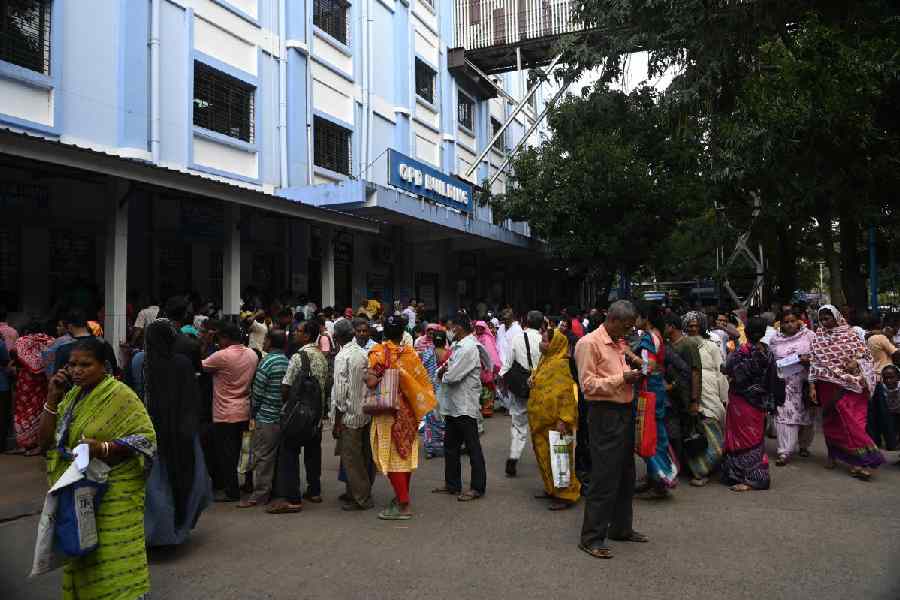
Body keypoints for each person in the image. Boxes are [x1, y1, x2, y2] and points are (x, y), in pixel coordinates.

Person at [39, 337, 156, 599]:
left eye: (85, 364)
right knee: (82, 552)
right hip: (79, 490)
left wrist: (102, 448)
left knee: (114, 555)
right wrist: (52, 397)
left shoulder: (121, 396)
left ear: (104, 366)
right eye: (72, 365)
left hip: (115, 491)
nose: (77, 370)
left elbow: (146, 439)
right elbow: (44, 442)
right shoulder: (70, 397)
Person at [575, 300, 646, 560]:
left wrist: (634, 366)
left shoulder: (619, 343)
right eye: (626, 327)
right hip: (604, 414)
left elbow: (624, 367)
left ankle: (621, 528)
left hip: (624, 411)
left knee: (626, 474)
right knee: (604, 476)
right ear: (612, 320)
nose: (628, 332)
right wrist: (622, 379)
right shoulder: (589, 343)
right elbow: (588, 385)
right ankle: (591, 537)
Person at [141, 319, 212, 546]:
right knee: (187, 479)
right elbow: (192, 398)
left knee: (156, 486)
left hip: (150, 433)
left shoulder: (141, 362)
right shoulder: (181, 363)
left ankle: (156, 532)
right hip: (182, 433)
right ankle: (179, 525)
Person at [365, 315, 436, 520]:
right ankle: (400, 497)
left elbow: (371, 382)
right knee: (404, 452)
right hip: (409, 409)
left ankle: (404, 504)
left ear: (385, 332)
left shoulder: (379, 353)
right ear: (403, 332)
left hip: (388, 410)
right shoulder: (410, 353)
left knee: (391, 456)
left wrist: (368, 375)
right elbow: (422, 380)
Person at [809, 305, 885, 480]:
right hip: (827, 384)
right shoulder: (818, 337)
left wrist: (856, 363)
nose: (825, 322)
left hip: (851, 385)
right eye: (822, 319)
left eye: (828, 318)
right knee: (831, 422)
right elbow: (814, 363)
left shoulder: (850, 334)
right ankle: (833, 455)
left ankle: (860, 461)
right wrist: (812, 387)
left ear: (836, 317)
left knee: (854, 423)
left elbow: (866, 356)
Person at [269, 320, 329, 513]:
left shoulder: (298, 357)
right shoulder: (321, 356)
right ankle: (314, 490)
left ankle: (292, 498)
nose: (295, 333)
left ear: (307, 336)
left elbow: (286, 386)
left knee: (289, 452)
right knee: (313, 451)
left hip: (298, 414)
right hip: (316, 412)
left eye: (299, 331)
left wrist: (285, 405)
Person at [432, 313, 487, 502]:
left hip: (465, 405)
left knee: (472, 447)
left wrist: (443, 374)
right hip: (453, 404)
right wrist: (443, 373)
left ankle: (477, 487)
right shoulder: (457, 346)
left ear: (458, 328)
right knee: (451, 446)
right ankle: (452, 484)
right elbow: (442, 369)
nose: (448, 331)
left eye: (450, 327)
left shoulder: (468, 348)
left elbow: (451, 376)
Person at [201, 323, 259, 502]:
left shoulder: (221, 356)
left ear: (225, 338)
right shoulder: (251, 354)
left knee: (227, 454)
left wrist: (205, 343)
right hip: (244, 408)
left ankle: (232, 491)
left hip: (225, 412)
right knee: (245, 449)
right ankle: (248, 483)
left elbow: (200, 366)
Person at [528, 326, 581, 510]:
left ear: (555, 344)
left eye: (545, 341)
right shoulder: (546, 360)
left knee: (560, 458)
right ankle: (552, 488)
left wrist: (563, 420)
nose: (542, 344)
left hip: (554, 422)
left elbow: (567, 395)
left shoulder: (560, 364)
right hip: (540, 421)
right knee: (544, 456)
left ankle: (566, 495)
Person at [721, 318, 776, 491]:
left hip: (741, 400)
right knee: (754, 437)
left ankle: (750, 477)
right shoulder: (768, 351)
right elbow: (773, 377)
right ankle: (750, 474)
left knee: (740, 437)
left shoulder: (741, 351)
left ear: (746, 331)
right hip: (759, 402)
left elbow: (726, 368)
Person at [240, 329, 290, 508]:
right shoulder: (287, 361)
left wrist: (253, 413)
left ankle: (259, 495)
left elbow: (258, 392)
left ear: (269, 341)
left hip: (266, 417)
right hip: (281, 417)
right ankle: (272, 491)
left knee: (263, 457)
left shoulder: (266, 362)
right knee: (274, 457)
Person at [633, 304, 678, 498]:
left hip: (648, 391)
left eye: (636, 317)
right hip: (657, 390)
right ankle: (655, 478)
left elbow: (647, 367)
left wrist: (628, 354)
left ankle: (660, 480)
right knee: (657, 435)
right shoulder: (659, 335)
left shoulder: (648, 337)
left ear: (645, 318)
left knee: (648, 435)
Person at [331, 319, 375, 511]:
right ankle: (356, 492)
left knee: (351, 459)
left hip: (349, 415)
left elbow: (340, 393)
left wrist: (337, 422)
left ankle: (361, 498)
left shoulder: (342, 357)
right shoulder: (362, 353)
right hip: (364, 413)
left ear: (337, 337)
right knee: (362, 457)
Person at [682, 310, 727, 487]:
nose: (693, 329)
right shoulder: (682, 345)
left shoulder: (711, 346)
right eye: (690, 326)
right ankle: (698, 471)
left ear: (702, 326)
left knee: (712, 429)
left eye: (696, 325)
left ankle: (709, 467)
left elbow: (720, 372)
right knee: (692, 431)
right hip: (690, 393)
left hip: (711, 393)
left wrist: (723, 397)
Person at [768, 309, 817, 465]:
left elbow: (818, 356)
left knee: (806, 417)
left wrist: (807, 360)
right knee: (784, 417)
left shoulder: (809, 336)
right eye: (785, 322)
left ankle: (803, 445)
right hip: (783, 384)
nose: (789, 325)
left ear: (799, 321)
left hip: (805, 383)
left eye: (792, 321)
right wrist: (794, 359)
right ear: (780, 324)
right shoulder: (775, 339)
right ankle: (784, 451)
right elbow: (771, 361)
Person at [499, 310, 543, 477]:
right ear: (541, 324)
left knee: (518, 424)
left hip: (520, 387)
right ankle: (543, 458)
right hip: (540, 387)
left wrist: (502, 379)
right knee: (540, 425)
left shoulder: (517, 338)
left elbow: (508, 363)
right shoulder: (544, 340)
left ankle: (514, 456)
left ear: (525, 322)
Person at [12, 323, 54, 455]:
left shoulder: (23, 342)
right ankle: (38, 443)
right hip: (42, 381)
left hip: (26, 381)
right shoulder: (50, 341)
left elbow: (16, 356)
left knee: (23, 411)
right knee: (39, 409)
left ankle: (25, 444)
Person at [53, 309, 120, 377]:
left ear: (70, 326)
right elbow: (114, 371)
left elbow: (58, 378)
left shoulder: (64, 349)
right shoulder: (104, 344)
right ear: (86, 324)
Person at [420, 328, 450, 459]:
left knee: (430, 421)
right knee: (445, 420)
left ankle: (431, 449)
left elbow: (421, 370)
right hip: (446, 392)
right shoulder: (450, 354)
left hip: (430, 392)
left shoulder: (427, 354)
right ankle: (445, 446)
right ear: (445, 341)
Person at [867, 364, 900, 452]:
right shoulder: (880, 388)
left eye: (892, 377)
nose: (888, 381)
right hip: (890, 413)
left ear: (898, 377)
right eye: (885, 378)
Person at [495, 308, 522, 411]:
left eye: (507, 319)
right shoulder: (501, 328)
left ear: (512, 318)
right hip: (500, 360)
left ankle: (510, 407)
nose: (505, 321)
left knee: (510, 384)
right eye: (503, 319)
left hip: (511, 360)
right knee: (500, 384)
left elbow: (518, 346)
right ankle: (503, 404)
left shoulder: (517, 329)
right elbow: (498, 342)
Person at [475, 320, 501, 417]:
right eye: (476, 327)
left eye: (480, 327)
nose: (478, 329)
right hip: (477, 366)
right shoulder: (474, 337)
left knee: (487, 386)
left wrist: (488, 366)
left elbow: (490, 354)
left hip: (485, 367)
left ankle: (487, 409)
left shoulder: (487, 338)